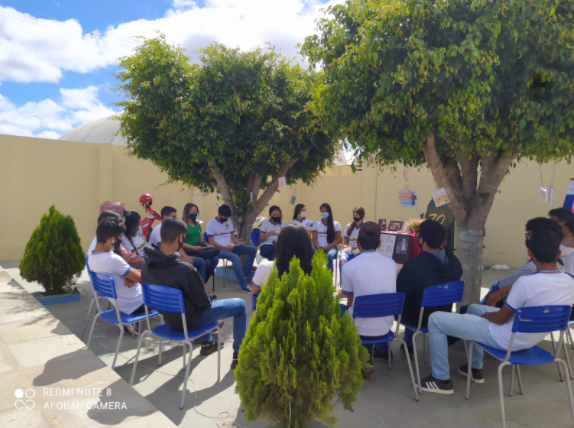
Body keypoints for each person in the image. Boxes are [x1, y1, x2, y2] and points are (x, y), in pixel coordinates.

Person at [419, 229, 574, 395]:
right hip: (530, 338)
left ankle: (440, 379)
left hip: (505, 339)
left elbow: (500, 319)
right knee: (473, 308)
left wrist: (485, 317)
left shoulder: (526, 283)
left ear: (529, 252)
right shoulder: (570, 282)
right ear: (558, 253)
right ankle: (474, 368)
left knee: (435, 319)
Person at [142, 218, 247, 368]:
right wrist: (209, 299)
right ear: (180, 238)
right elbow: (204, 302)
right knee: (240, 305)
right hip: (190, 322)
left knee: (195, 305)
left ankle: (208, 343)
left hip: (170, 320)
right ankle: (239, 355)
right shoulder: (184, 269)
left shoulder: (147, 265)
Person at [340, 221, 398, 378]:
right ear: (379, 243)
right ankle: (377, 355)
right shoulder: (392, 264)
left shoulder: (349, 267)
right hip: (386, 326)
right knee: (371, 309)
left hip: (361, 327)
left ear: (358, 242)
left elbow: (350, 303)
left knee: (342, 309)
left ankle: (359, 360)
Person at [397, 220, 462, 355]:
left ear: (422, 240)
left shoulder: (413, 266)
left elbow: (400, 293)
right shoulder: (455, 261)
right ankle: (408, 345)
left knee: (397, 303)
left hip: (419, 318)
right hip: (445, 313)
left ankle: (404, 346)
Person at [480, 217, 562, 308]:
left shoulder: (529, 272)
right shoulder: (566, 276)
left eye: (529, 234)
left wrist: (501, 291)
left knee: (472, 309)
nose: (527, 237)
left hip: (507, 303)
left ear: (529, 251)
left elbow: (504, 314)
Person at [88, 217, 145, 323]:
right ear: (112, 239)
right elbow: (142, 278)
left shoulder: (91, 257)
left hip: (122, 305)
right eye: (120, 238)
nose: (120, 242)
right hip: (138, 303)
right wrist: (134, 276)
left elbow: (131, 274)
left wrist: (130, 276)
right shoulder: (113, 259)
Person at [251, 224, 314, 296]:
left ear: (279, 245)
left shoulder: (264, 268)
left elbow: (255, 297)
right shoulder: (317, 271)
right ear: (308, 245)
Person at [206, 204, 257, 293]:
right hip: (218, 249)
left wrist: (239, 243)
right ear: (219, 214)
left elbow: (232, 237)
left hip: (230, 247)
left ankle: (245, 274)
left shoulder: (228, 221)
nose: (226, 218)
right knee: (235, 257)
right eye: (224, 217)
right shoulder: (211, 224)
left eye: (227, 217)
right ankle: (244, 285)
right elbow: (211, 242)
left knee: (253, 249)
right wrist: (224, 247)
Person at [181, 203, 220, 283]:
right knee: (206, 262)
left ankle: (203, 282)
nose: (195, 214)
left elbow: (201, 240)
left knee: (215, 259)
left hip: (199, 250)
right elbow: (180, 243)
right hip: (188, 251)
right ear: (187, 213)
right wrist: (193, 247)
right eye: (193, 212)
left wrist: (208, 245)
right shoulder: (183, 225)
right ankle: (201, 284)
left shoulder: (197, 225)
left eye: (196, 212)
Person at [312, 203, 342, 272]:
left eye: (325, 211)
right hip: (318, 247)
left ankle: (329, 276)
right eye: (322, 211)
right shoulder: (316, 223)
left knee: (329, 256)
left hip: (331, 247)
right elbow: (314, 239)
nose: (324, 213)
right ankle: (317, 274)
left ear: (329, 212)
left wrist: (328, 246)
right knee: (314, 254)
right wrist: (318, 247)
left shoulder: (336, 224)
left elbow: (339, 240)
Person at [340, 207, 365, 275]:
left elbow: (366, 242)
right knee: (342, 260)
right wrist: (349, 246)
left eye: (357, 215)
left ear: (362, 215)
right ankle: (343, 280)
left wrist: (359, 247)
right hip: (349, 250)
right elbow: (345, 242)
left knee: (357, 261)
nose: (355, 217)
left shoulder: (365, 227)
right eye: (354, 215)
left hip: (360, 251)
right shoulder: (348, 226)